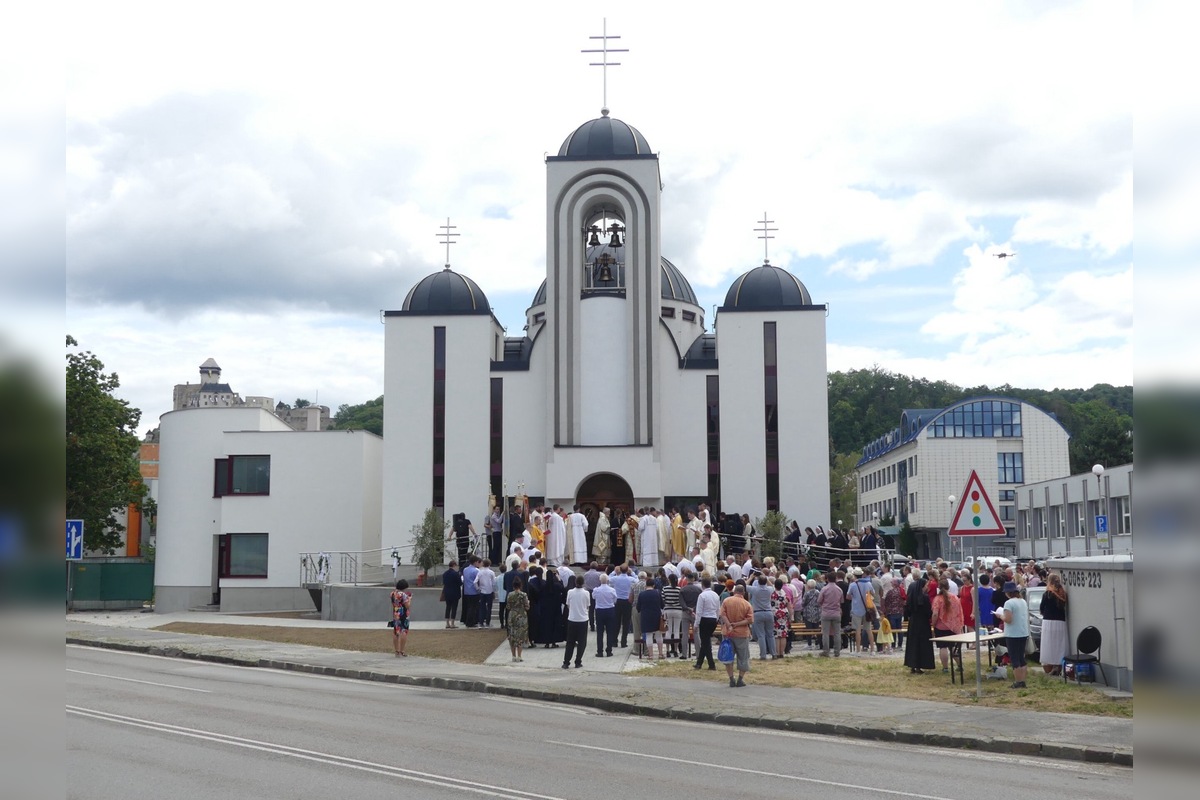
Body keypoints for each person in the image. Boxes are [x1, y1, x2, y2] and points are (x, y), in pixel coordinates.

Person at [996, 580, 1030, 688]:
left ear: (1007, 593)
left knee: (1014, 659)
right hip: (1023, 632)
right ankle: (1023, 680)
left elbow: (1008, 619)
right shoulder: (1022, 601)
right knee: (1021, 658)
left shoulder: (1009, 603)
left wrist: (1000, 616)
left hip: (1013, 633)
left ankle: (1018, 681)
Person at [719, 583, 754, 687]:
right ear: (743, 592)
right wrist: (737, 624)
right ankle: (740, 679)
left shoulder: (726, 601)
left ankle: (731, 678)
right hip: (742, 633)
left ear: (734, 591)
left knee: (728, 656)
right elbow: (750, 620)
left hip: (728, 633)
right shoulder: (747, 604)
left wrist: (729, 625)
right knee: (743, 657)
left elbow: (722, 614)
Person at [904, 574, 936, 674]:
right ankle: (920, 665)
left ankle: (912, 665)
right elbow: (928, 612)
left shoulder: (912, 597)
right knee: (922, 644)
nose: (928, 587)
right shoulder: (925, 598)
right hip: (923, 623)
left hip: (913, 622)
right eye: (926, 585)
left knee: (913, 644)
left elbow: (907, 611)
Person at [931, 577, 964, 673]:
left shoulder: (937, 599)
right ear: (948, 587)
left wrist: (933, 623)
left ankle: (945, 668)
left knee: (943, 647)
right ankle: (959, 665)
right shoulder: (954, 597)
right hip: (953, 626)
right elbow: (959, 611)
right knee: (953, 646)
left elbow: (935, 613)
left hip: (940, 626)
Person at [1039, 572, 1069, 675]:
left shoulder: (1048, 593)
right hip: (1060, 621)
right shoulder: (1062, 593)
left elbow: (1042, 608)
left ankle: (1049, 666)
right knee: (1059, 644)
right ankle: (1059, 665)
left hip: (1048, 621)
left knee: (1049, 644)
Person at [562, 575, 590, 668]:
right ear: (583, 583)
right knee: (582, 642)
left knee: (570, 642)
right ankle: (578, 661)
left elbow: (568, 604)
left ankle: (566, 662)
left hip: (572, 619)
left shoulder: (570, 592)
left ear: (575, 582)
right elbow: (587, 605)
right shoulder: (586, 593)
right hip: (583, 619)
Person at [693, 577, 720, 670]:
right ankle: (699, 663)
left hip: (704, 619)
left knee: (705, 642)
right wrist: (716, 619)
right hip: (713, 619)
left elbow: (699, 611)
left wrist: (696, 624)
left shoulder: (702, 595)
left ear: (702, 585)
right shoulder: (715, 595)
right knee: (706, 641)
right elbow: (718, 609)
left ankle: (711, 664)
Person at [535, 568, 566, 648]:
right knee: (555, 624)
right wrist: (559, 580)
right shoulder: (556, 585)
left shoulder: (544, 586)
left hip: (546, 609)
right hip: (555, 608)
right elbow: (563, 589)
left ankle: (547, 642)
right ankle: (554, 642)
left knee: (546, 625)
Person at [637, 575, 664, 659]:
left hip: (646, 616)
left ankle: (651, 655)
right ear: (654, 585)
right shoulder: (657, 593)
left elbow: (638, 607)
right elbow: (662, 605)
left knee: (648, 635)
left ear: (646, 585)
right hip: (656, 615)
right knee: (658, 635)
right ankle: (660, 654)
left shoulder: (642, 594)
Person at [817, 572, 844, 657]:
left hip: (826, 612)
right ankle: (837, 651)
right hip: (836, 612)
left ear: (827, 579)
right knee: (837, 633)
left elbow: (819, 601)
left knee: (825, 633)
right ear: (836, 579)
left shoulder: (824, 589)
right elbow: (841, 601)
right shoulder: (839, 589)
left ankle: (826, 651)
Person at [592, 573, 618, 657]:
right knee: (610, 631)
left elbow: (593, 597)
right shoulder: (612, 590)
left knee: (600, 632)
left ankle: (600, 651)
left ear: (600, 580)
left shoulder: (596, 590)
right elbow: (615, 600)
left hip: (599, 611)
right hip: (610, 610)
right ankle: (609, 651)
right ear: (607, 581)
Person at [611, 565, 636, 648]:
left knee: (616, 622)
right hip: (627, 601)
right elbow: (638, 580)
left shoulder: (615, 578)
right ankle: (623, 642)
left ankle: (614, 641)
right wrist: (632, 572)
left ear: (620, 570)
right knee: (626, 622)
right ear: (627, 570)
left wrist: (614, 571)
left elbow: (607, 578)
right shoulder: (631, 579)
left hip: (617, 601)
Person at [506, 578, 529, 662]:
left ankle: (513, 656)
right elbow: (527, 607)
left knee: (512, 635)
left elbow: (508, 606)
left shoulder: (510, 594)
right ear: (520, 585)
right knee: (520, 635)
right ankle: (519, 656)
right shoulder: (523, 595)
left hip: (512, 615)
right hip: (521, 615)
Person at [661, 573, 684, 658]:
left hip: (668, 610)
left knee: (668, 630)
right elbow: (681, 600)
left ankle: (667, 650)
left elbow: (662, 599)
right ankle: (675, 650)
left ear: (669, 580)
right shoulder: (679, 589)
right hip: (678, 610)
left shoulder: (665, 589)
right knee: (677, 630)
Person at [390, 579, 411, 657]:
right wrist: (410, 599)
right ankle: (402, 650)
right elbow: (407, 605)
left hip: (396, 613)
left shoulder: (392, 593)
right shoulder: (404, 595)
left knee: (396, 631)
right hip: (404, 614)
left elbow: (393, 603)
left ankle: (396, 651)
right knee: (404, 631)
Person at [771, 577, 790, 659]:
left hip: (775, 613)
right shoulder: (784, 593)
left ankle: (777, 652)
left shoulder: (773, 594)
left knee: (776, 634)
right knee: (783, 634)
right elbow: (788, 603)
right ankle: (782, 653)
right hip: (784, 613)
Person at [441, 561, 462, 629]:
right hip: (455, 593)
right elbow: (460, 583)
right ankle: (452, 623)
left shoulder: (445, 574)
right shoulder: (456, 574)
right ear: (454, 565)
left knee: (448, 607)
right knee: (454, 608)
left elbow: (444, 583)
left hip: (447, 592)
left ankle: (447, 623)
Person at [461, 556, 480, 628]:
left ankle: (467, 621)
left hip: (467, 591)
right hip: (474, 591)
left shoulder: (465, 569)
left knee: (469, 606)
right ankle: (471, 622)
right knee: (473, 607)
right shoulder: (476, 571)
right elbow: (477, 581)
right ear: (475, 562)